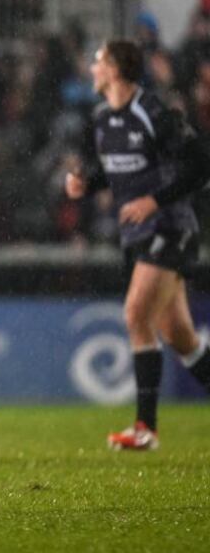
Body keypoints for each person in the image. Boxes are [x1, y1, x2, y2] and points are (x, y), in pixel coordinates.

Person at [66, 39, 210, 450]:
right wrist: (85, 183)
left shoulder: (153, 112)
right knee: (181, 337)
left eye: (97, 61)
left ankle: (145, 429)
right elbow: (113, 173)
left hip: (170, 226)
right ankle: (146, 428)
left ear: (113, 68)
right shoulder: (102, 118)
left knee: (135, 313)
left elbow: (200, 164)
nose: (92, 69)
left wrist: (155, 201)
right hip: (138, 235)